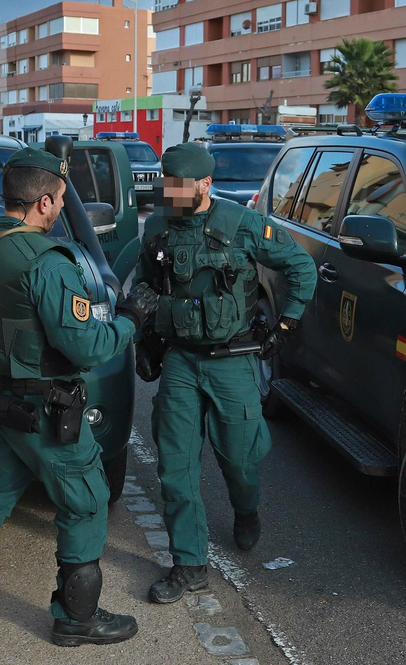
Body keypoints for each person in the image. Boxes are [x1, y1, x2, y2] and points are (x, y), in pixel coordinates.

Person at [0, 147, 159, 650]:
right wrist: (130, 318)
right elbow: (85, 346)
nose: (59, 208)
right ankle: (77, 619)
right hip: (45, 409)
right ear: (43, 202)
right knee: (87, 502)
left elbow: (14, 326)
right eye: (58, 199)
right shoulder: (47, 261)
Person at [139, 143, 316, 605]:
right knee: (175, 465)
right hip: (180, 361)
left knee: (240, 459)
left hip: (231, 360)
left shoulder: (243, 224)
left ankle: (246, 509)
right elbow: (143, 283)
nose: (170, 194)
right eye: (166, 185)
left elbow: (301, 265)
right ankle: (189, 564)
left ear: (205, 185)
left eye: (179, 187)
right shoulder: (158, 226)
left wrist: (285, 324)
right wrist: (144, 332)